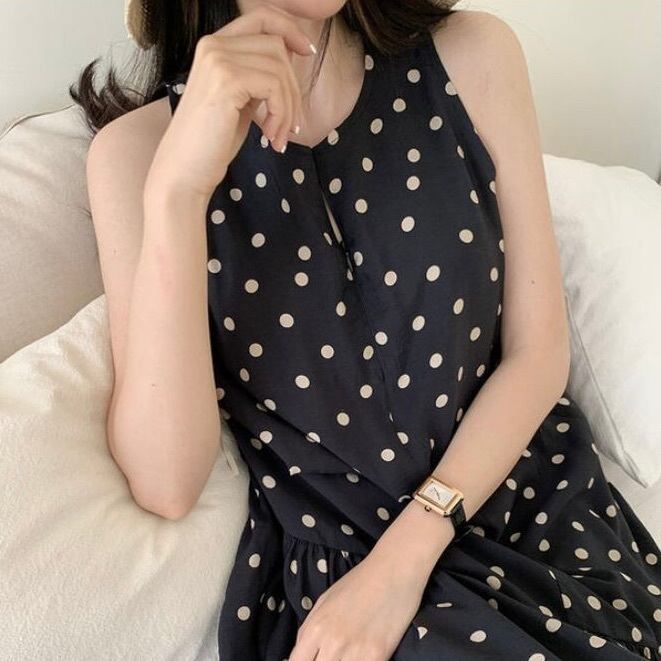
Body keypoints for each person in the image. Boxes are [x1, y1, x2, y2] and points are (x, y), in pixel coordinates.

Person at [72, 1, 661, 659]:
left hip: (530, 509)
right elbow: (166, 483)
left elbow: (539, 353)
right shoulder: (138, 156)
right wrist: (178, 193)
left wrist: (406, 556)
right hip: (339, 576)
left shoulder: (471, 54)